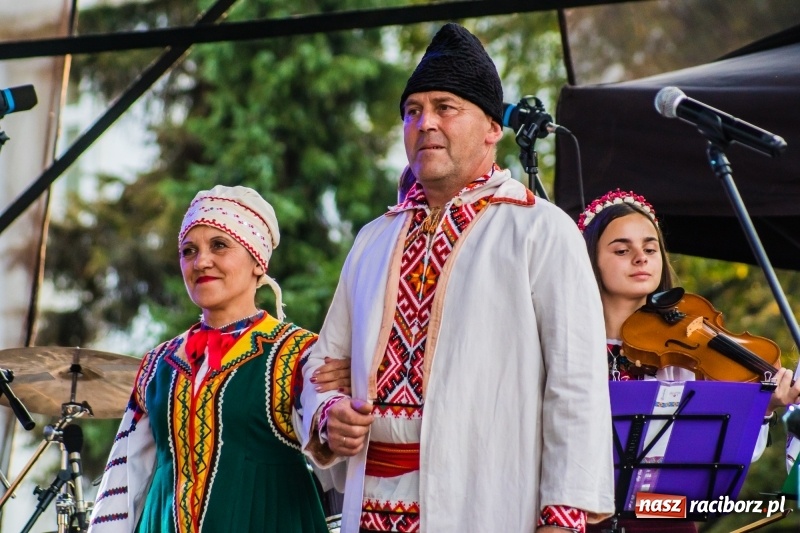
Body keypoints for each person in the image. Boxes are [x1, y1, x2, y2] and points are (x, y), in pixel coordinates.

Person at [298, 22, 614, 533]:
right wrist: (328, 413)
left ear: (492, 127)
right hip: (371, 503)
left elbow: (576, 386)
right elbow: (324, 367)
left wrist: (563, 515)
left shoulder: (540, 230)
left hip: (487, 501)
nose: (425, 123)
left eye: (446, 107)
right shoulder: (373, 239)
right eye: (413, 110)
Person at [89, 185, 349, 532]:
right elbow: (125, 475)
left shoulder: (299, 353)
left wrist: (335, 420)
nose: (201, 261)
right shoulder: (159, 363)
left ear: (258, 261)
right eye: (188, 250)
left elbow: (327, 423)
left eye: (219, 245)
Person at [578, 189, 800, 533]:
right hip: (580, 515)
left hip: (665, 517)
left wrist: (763, 409)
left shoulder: (686, 353)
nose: (641, 257)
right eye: (623, 250)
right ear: (589, 261)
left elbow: (726, 456)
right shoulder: (568, 346)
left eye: (651, 249)